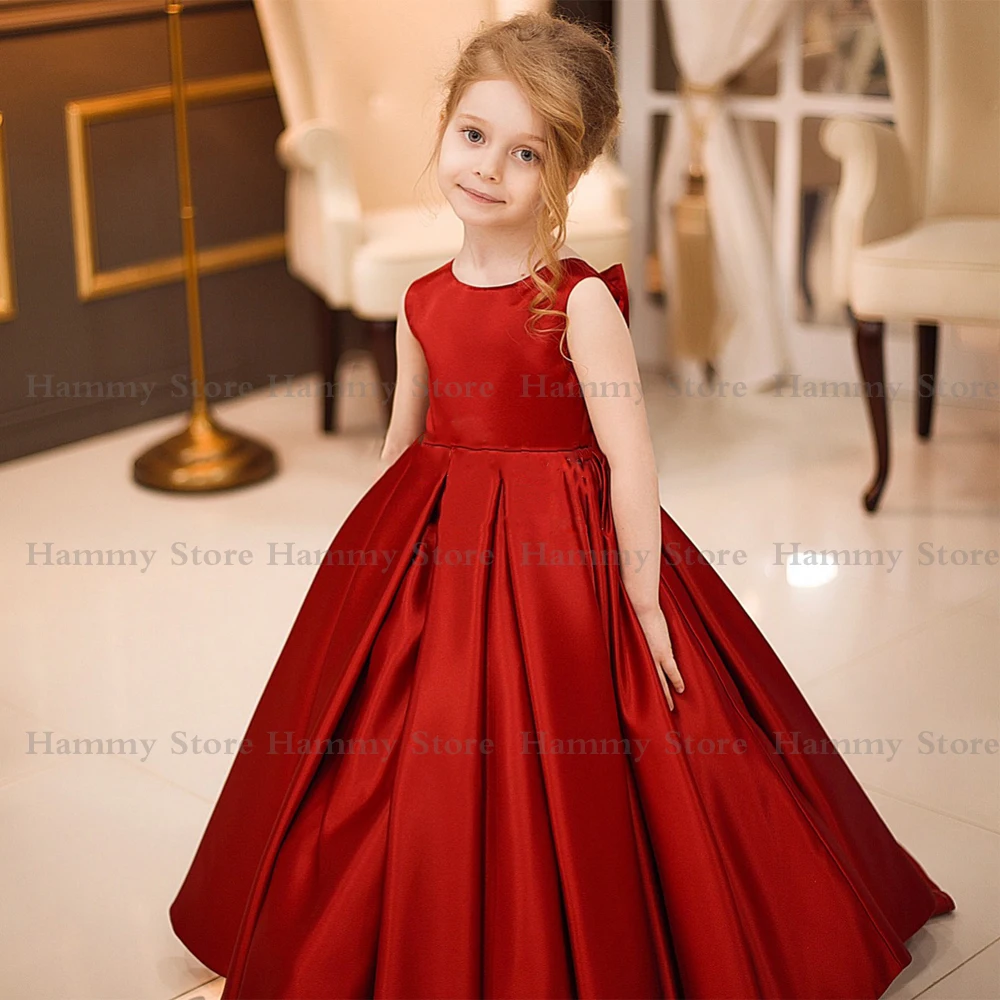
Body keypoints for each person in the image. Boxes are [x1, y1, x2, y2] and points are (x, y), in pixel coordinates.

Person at [169, 12, 954, 999]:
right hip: (435, 543)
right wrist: (363, 573)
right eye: (473, 135)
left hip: (563, 555)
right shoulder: (420, 300)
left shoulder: (575, 302)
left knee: (604, 748)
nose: (489, 167)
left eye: (526, 150)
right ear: (444, 130)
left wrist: (645, 597)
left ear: (567, 171)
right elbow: (402, 441)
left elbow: (629, 456)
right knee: (410, 741)